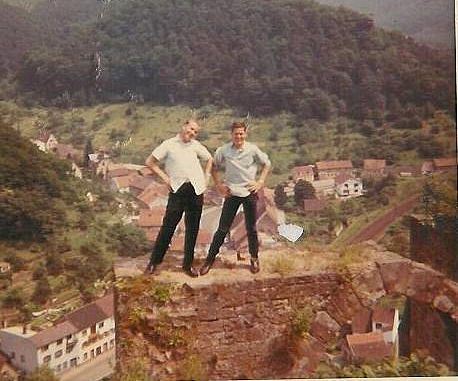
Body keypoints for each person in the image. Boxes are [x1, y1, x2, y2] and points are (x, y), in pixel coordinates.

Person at [200, 121, 271, 275]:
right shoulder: (223, 150)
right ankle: (209, 260)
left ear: (245, 134)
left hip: (249, 192)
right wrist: (218, 184)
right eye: (236, 133)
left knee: (251, 229)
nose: (238, 136)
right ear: (231, 134)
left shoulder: (252, 149)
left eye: (241, 133)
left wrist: (260, 182)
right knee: (222, 229)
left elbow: (267, 163)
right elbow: (213, 166)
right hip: (232, 193)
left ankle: (254, 258)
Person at [144, 120, 212, 277]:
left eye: (195, 131)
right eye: (191, 129)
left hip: (196, 189)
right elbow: (150, 162)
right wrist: (165, 179)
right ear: (183, 126)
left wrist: (206, 177)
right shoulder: (168, 144)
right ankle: (154, 263)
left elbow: (209, 159)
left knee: (192, 229)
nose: (193, 133)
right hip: (177, 189)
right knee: (168, 227)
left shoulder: (196, 145)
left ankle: (187, 265)